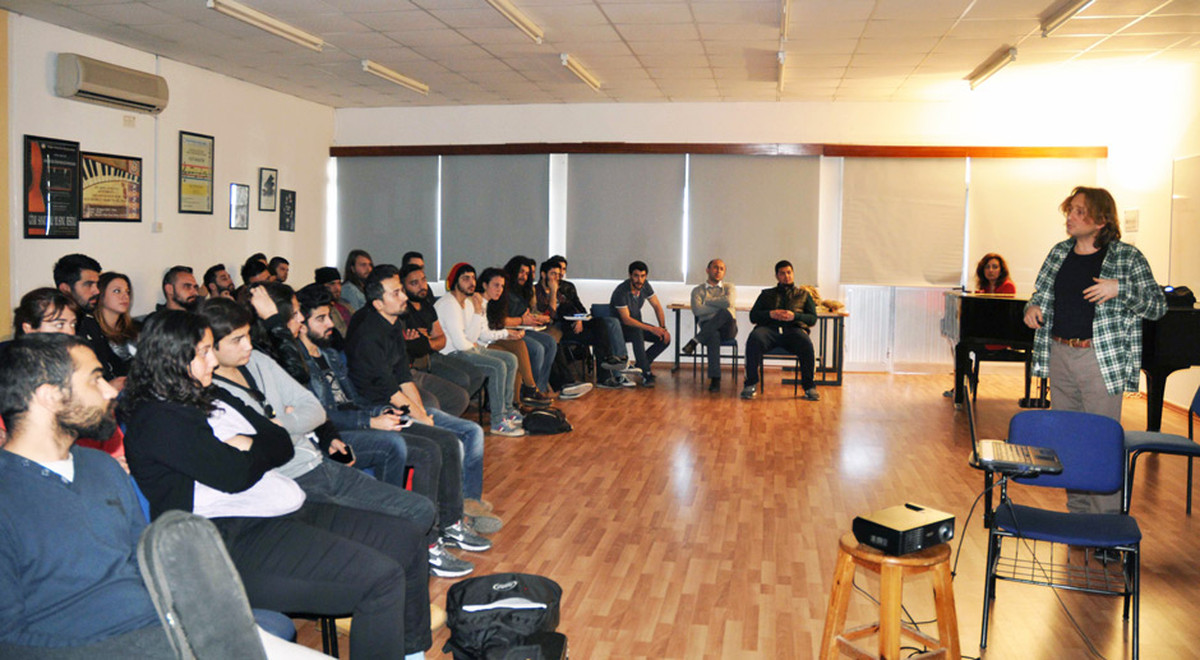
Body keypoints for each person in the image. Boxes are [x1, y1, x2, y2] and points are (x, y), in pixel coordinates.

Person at [120, 312, 434, 658]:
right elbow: (233, 476)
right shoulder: (157, 416)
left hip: (285, 509)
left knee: (406, 537)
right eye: (203, 351)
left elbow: (280, 441)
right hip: (227, 539)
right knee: (382, 579)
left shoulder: (214, 394)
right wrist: (250, 445)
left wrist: (246, 444)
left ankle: (411, 652)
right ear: (172, 358)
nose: (213, 360)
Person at [296, 283, 506, 531]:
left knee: (448, 440)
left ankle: (453, 521)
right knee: (425, 447)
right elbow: (319, 416)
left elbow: (357, 397)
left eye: (329, 316)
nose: (331, 324)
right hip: (339, 431)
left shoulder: (329, 353)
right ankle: (424, 529)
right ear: (300, 323)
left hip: (367, 414)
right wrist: (372, 419)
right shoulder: (301, 363)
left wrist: (381, 413)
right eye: (321, 319)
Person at [1023, 186, 1167, 515]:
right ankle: (1078, 515)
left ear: (1101, 220)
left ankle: (1106, 524)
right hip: (1059, 354)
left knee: (1100, 442)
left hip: (1099, 359)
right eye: (1070, 210)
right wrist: (1031, 308)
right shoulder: (1059, 252)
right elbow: (1040, 294)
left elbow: (1157, 306)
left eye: (1078, 211)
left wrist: (1120, 288)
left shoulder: (1126, 257)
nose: (1069, 218)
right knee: (1070, 440)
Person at [343, 265, 492, 557]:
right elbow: (389, 390)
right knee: (441, 442)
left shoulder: (392, 322)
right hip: (375, 408)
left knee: (462, 433)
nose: (402, 297)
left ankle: (455, 519)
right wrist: (422, 418)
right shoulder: (367, 333)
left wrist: (422, 413)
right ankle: (432, 535)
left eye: (401, 289)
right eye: (396, 292)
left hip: (394, 398)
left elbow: (403, 376)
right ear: (377, 303)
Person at [435, 263, 525, 437]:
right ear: (454, 282)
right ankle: (498, 422)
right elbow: (462, 344)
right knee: (497, 366)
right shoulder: (449, 304)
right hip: (450, 355)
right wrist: (474, 346)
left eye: (473, 278)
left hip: (466, 348)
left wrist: (477, 311)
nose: (471, 282)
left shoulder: (467, 303)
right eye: (465, 278)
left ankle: (507, 410)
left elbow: (472, 335)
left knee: (511, 359)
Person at [401, 263, 486, 408]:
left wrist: (427, 341)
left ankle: (453, 408)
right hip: (419, 363)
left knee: (478, 374)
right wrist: (429, 340)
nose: (422, 286)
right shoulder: (402, 310)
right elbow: (413, 346)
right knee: (463, 379)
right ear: (403, 287)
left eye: (423, 280)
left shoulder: (427, 306)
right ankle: (449, 409)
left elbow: (441, 339)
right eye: (414, 283)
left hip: (435, 355)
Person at [741, 260, 820, 402]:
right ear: (777, 276)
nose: (786, 276)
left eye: (789, 272)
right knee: (754, 338)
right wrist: (769, 314)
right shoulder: (766, 294)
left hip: (793, 331)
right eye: (782, 273)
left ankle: (809, 387)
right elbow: (753, 316)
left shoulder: (803, 295)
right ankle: (750, 384)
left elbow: (812, 319)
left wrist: (795, 316)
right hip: (769, 330)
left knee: (806, 343)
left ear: (793, 274)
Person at [480, 267, 553, 407]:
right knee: (514, 355)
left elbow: (496, 325)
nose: (499, 290)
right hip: (480, 343)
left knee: (518, 344)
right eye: (496, 285)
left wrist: (509, 333)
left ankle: (519, 399)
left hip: (492, 338)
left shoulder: (495, 302)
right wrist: (507, 333)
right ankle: (526, 392)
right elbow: (483, 334)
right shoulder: (478, 303)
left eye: (502, 286)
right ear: (484, 285)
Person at [53, 253, 122, 382]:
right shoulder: (54, 330)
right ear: (65, 289)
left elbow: (112, 363)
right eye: (88, 284)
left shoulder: (89, 321)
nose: (97, 291)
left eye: (97, 284)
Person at [501, 256, 559, 396]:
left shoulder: (523, 291)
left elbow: (525, 314)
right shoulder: (502, 290)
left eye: (527, 274)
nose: (524, 276)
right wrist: (522, 320)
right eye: (521, 272)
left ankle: (540, 387)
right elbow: (499, 320)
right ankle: (528, 390)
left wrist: (534, 318)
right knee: (537, 349)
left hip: (522, 328)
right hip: (505, 331)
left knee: (550, 342)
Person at [610, 260, 671, 387]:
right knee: (637, 331)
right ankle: (646, 373)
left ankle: (641, 365)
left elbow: (657, 307)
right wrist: (651, 328)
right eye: (636, 276)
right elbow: (626, 319)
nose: (639, 280)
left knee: (664, 338)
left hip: (637, 325)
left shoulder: (645, 286)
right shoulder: (621, 291)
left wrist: (662, 328)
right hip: (620, 329)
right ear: (630, 275)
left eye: (643, 276)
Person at [683, 258, 738, 392]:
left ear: (724, 272)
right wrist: (719, 305)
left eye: (721, 269)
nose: (718, 271)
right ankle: (715, 379)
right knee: (713, 334)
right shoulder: (697, 290)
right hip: (708, 327)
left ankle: (695, 341)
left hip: (728, 327)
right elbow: (697, 310)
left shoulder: (729, 287)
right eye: (715, 267)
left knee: (725, 313)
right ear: (708, 270)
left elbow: (728, 302)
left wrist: (707, 301)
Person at [95, 272, 140, 378]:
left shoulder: (137, 328)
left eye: (127, 292)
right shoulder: (93, 332)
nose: (125, 296)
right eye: (117, 291)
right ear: (100, 294)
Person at [315, 265, 353, 340]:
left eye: (339, 283)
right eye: (332, 284)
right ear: (322, 286)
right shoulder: (321, 309)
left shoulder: (345, 304)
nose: (337, 288)